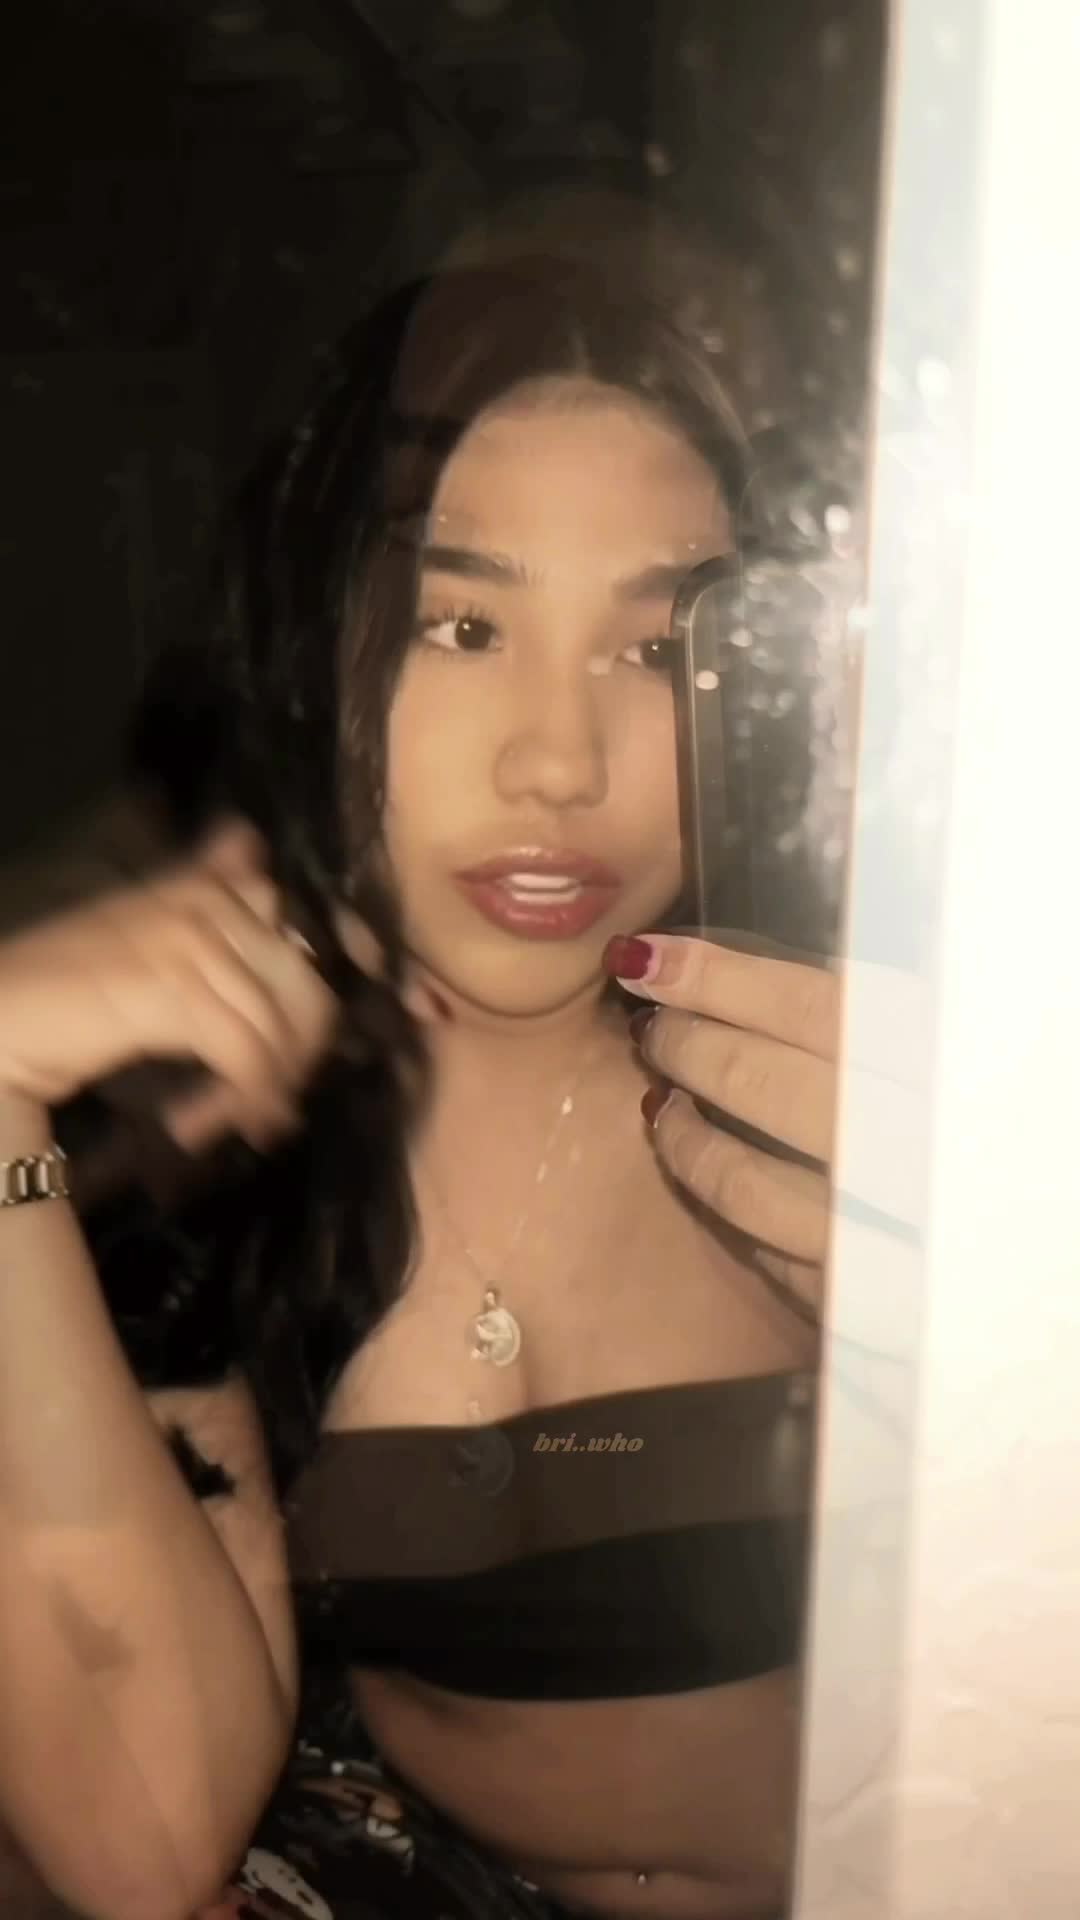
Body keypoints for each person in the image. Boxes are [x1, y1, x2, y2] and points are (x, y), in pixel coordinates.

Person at [0, 256, 841, 1920]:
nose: (560, 762)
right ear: (321, 656)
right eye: (465, 626)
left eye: (656, 646)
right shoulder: (222, 1162)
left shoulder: (843, 1072)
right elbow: (143, 1840)